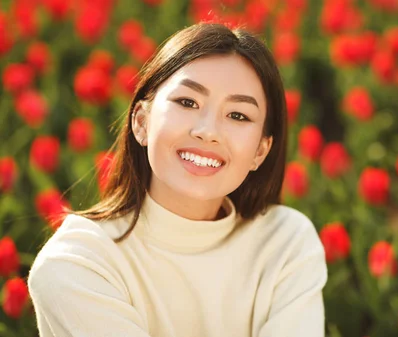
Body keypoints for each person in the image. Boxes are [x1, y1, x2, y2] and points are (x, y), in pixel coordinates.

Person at [27, 22, 328, 337]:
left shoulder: (285, 243)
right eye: (187, 102)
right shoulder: (79, 265)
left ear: (260, 151)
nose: (208, 131)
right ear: (142, 122)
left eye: (238, 115)